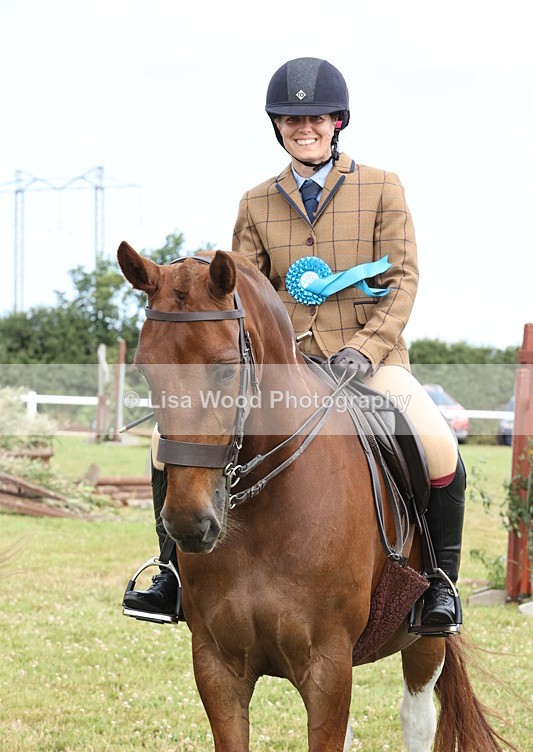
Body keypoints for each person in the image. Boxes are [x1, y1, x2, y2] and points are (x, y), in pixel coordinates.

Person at [123, 56, 465, 633]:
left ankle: (440, 586)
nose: (304, 128)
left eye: (316, 119)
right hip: (284, 367)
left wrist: (366, 347)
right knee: (166, 438)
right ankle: (169, 575)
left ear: (338, 122)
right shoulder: (257, 201)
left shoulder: (382, 187)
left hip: (368, 360)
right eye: (290, 119)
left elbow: (403, 280)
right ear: (277, 126)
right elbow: (238, 293)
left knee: (438, 448)